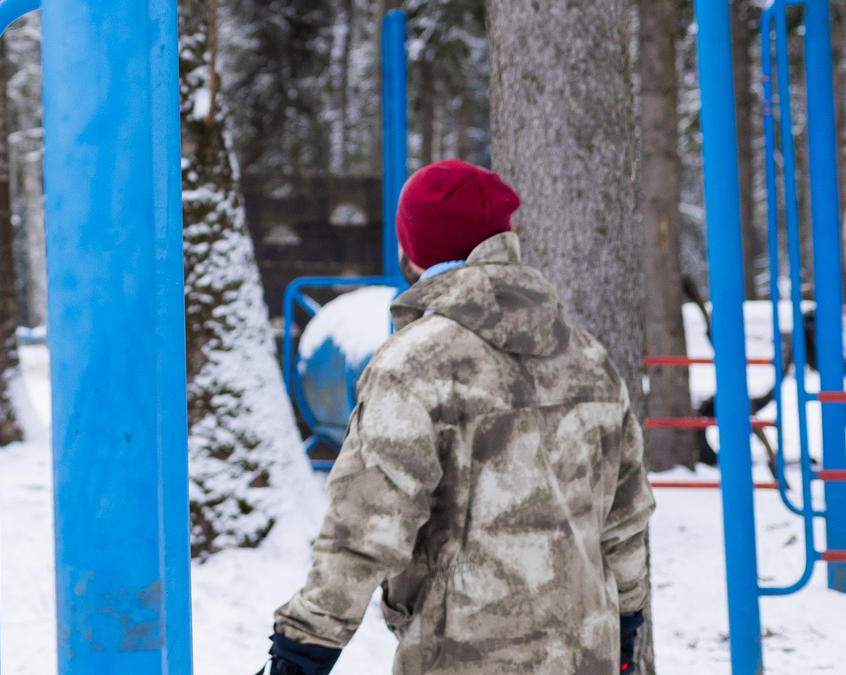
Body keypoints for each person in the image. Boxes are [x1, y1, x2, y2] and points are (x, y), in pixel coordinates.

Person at [260, 160, 656, 675]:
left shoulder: (414, 365)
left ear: (415, 247)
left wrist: (302, 649)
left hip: (464, 656)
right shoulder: (588, 359)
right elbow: (625, 521)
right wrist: (625, 625)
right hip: (585, 653)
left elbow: (365, 528)